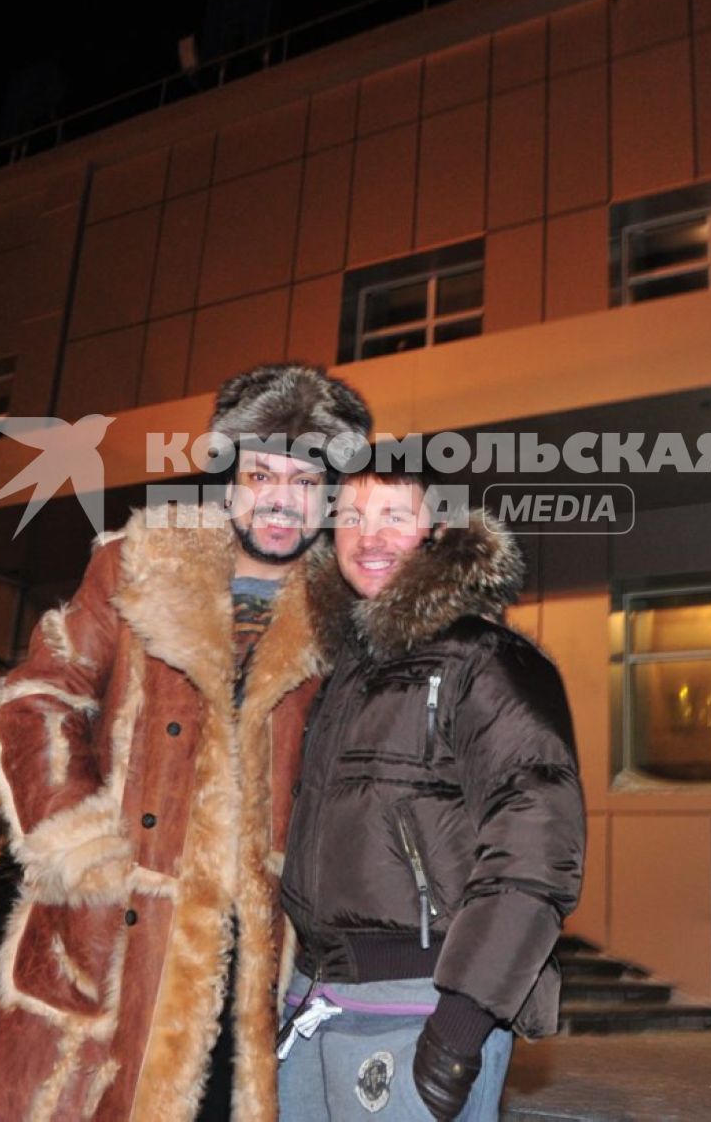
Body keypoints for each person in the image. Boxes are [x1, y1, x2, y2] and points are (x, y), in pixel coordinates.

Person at [0, 363, 371, 1122]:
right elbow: (38, 695)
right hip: (119, 939)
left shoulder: (343, 615)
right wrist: (86, 849)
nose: (284, 498)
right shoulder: (139, 561)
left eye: (308, 480)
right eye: (263, 473)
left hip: (261, 960)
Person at [278, 469, 585, 1120]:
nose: (369, 537)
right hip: (316, 1001)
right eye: (351, 517)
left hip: (420, 1007)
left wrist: (460, 1027)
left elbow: (537, 850)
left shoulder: (487, 659)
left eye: (394, 514)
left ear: (439, 531)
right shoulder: (341, 674)